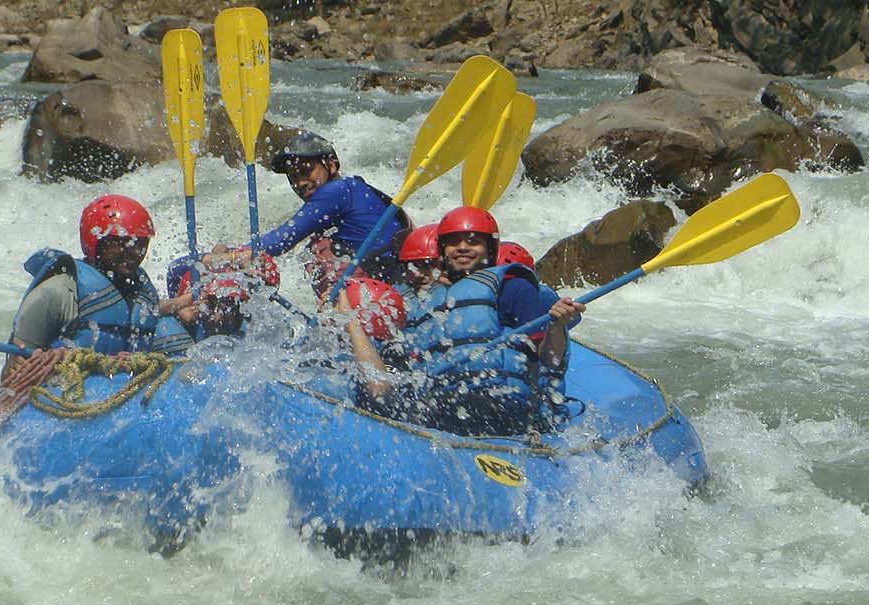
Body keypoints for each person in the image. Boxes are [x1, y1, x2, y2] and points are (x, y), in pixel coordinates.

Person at [335, 206, 584, 437]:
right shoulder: (427, 303)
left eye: (473, 242)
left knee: (451, 407)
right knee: (376, 396)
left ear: (490, 249)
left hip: (497, 402)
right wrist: (349, 316)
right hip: (442, 400)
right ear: (442, 250)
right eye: (453, 242)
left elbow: (549, 359)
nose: (463, 247)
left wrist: (557, 326)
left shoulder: (511, 287)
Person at [203, 131, 409, 301]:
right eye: (293, 176)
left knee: (182, 266)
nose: (299, 182)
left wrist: (225, 257)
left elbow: (281, 240)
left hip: (385, 297)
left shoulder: (338, 191)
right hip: (388, 293)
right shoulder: (354, 190)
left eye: (306, 171)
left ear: (331, 165)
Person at [3, 195, 194, 376]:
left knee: (170, 328)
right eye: (120, 243)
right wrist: (16, 364)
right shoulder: (58, 290)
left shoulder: (140, 286)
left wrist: (178, 308)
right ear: (96, 242)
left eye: (139, 243)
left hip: (126, 386)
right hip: (68, 386)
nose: (133, 252)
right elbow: (12, 371)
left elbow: (131, 318)